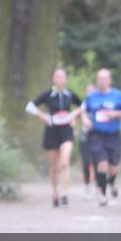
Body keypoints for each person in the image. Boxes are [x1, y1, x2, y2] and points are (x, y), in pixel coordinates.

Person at [25, 69, 83, 207]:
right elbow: (29, 106)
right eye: (57, 76)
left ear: (66, 79)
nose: (60, 79)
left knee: (65, 161)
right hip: (52, 131)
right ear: (53, 80)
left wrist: (75, 115)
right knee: (54, 165)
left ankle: (65, 194)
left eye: (62, 76)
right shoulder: (48, 95)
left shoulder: (70, 95)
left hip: (66, 131)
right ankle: (55, 192)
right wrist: (43, 116)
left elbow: (84, 106)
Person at [82, 69, 121, 206]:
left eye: (105, 79)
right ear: (97, 81)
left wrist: (115, 114)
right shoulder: (92, 97)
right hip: (97, 135)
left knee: (113, 167)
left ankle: (111, 181)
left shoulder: (118, 95)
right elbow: (84, 112)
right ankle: (102, 195)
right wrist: (85, 120)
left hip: (114, 135)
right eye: (100, 79)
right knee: (102, 164)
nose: (102, 81)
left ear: (110, 80)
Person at [79, 84, 96, 196]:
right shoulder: (83, 105)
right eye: (88, 90)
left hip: (97, 135)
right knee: (85, 161)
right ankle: (87, 184)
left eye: (92, 90)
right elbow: (79, 116)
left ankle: (99, 185)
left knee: (98, 160)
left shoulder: (99, 103)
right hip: (85, 135)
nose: (89, 92)